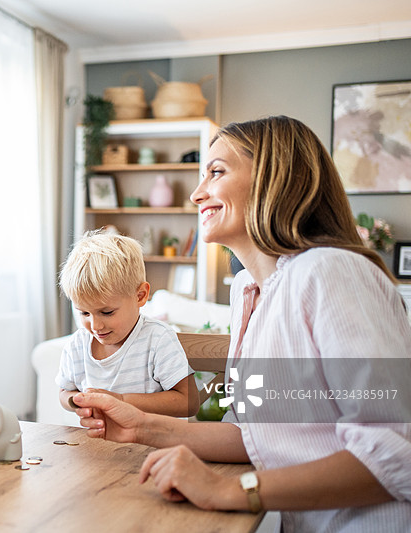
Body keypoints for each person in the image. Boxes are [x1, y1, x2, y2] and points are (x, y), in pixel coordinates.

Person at [73, 116, 411, 531]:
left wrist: (230, 491)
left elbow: (395, 455)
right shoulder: (249, 290)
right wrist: (139, 426)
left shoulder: (330, 272)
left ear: (275, 178)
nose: (198, 194)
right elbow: (248, 434)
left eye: (215, 172)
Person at [56, 230, 198, 417]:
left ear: (140, 296)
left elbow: (189, 402)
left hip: (149, 443)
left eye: (107, 312)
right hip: (94, 442)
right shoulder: (77, 345)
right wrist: (77, 401)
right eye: (84, 313)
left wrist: (120, 401)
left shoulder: (157, 339)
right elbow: (64, 393)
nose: (95, 325)